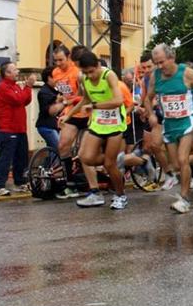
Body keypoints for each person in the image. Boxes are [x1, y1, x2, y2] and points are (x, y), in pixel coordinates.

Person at [143, 43, 193, 213]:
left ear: (172, 58)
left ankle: (184, 199)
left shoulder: (188, 74)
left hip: (187, 122)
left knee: (182, 159)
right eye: (156, 63)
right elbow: (147, 98)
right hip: (169, 124)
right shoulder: (155, 77)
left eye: (162, 62)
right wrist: (151, 114)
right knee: (175, 165)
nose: (160, 66)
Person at [60, 52, 129, 209]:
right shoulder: (84, 78)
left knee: (110, 165)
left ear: (98, 65)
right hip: (98, 123)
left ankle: (120, 195)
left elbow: (118, 101)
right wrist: (68, 115)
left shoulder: (108, 75)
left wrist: (95, 106)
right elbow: (85, 99)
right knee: (86, 157)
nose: (89, 76)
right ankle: (116, 160)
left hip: (114, 123)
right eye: (85, 72)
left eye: (91, 71)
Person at [0, 61, 34, 196]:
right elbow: (17, 99)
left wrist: (27, 89)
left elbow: (26, 100)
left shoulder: (15, 86)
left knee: (21, 157)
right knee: (6, 158)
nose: (18, 72)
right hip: (8, 128)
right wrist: (27, 87)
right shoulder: (2, 87)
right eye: (14, 70)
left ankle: (20, 182)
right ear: (7, 73)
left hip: (20, 127)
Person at [51, 45, 87, 199]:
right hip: (70, 114)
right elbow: (63, 92)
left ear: (69, 57)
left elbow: (85, 96)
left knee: (85, 152)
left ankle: (90, 183)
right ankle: (70, 183)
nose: (58, 63)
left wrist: (66, 102)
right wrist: (60, 98)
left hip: (85, 113)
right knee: (62, 145)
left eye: (61, 60)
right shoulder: (55, 73)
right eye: (55, 60)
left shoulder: (78, 72)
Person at [36, 66, 65, 150]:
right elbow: (49, 109)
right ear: (49, 78)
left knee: (53, 154)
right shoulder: (44, 92)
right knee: (60, 149)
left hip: (53, 126)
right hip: (47, 127)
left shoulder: (54, 90)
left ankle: (46, 163)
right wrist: (61, 101)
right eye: (57, 76)